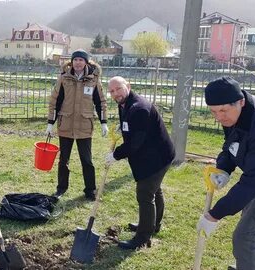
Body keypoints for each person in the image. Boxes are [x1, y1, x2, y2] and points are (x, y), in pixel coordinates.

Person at [197, 76, 255, 270]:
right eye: (213, 111)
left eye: (223, 110)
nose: (219, 117)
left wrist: (214, 214)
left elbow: (251, 183)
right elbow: (231, 145)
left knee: (247, 240)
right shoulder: (235, 114)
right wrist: (224, 167)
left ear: (240, 101)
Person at [105, 76, 174, 249]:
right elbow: (131, 129)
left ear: (128, 85)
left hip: (157, 157)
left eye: (118, 89)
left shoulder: (139, 108)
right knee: (154, 190)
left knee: (145, 194)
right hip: (150, 155)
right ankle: (152, 225)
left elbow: (136, 142)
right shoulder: (125, 104)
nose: (116, 94)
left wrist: (116, 155)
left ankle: (143, 237)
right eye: (112, 91)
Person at [46, 49, 108, 201]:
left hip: (84, 126)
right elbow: (55, 101)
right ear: (71, 62)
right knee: (63, 160)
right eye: (75, 60)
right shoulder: (64, 78)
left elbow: (101, 102)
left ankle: (90, 190)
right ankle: (61, 188)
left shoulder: (93, 80)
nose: (78, 63)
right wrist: (50, 123)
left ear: (86, 62)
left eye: (81, 60)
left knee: (86, 160)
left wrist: (103, 122)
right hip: (65, 124)